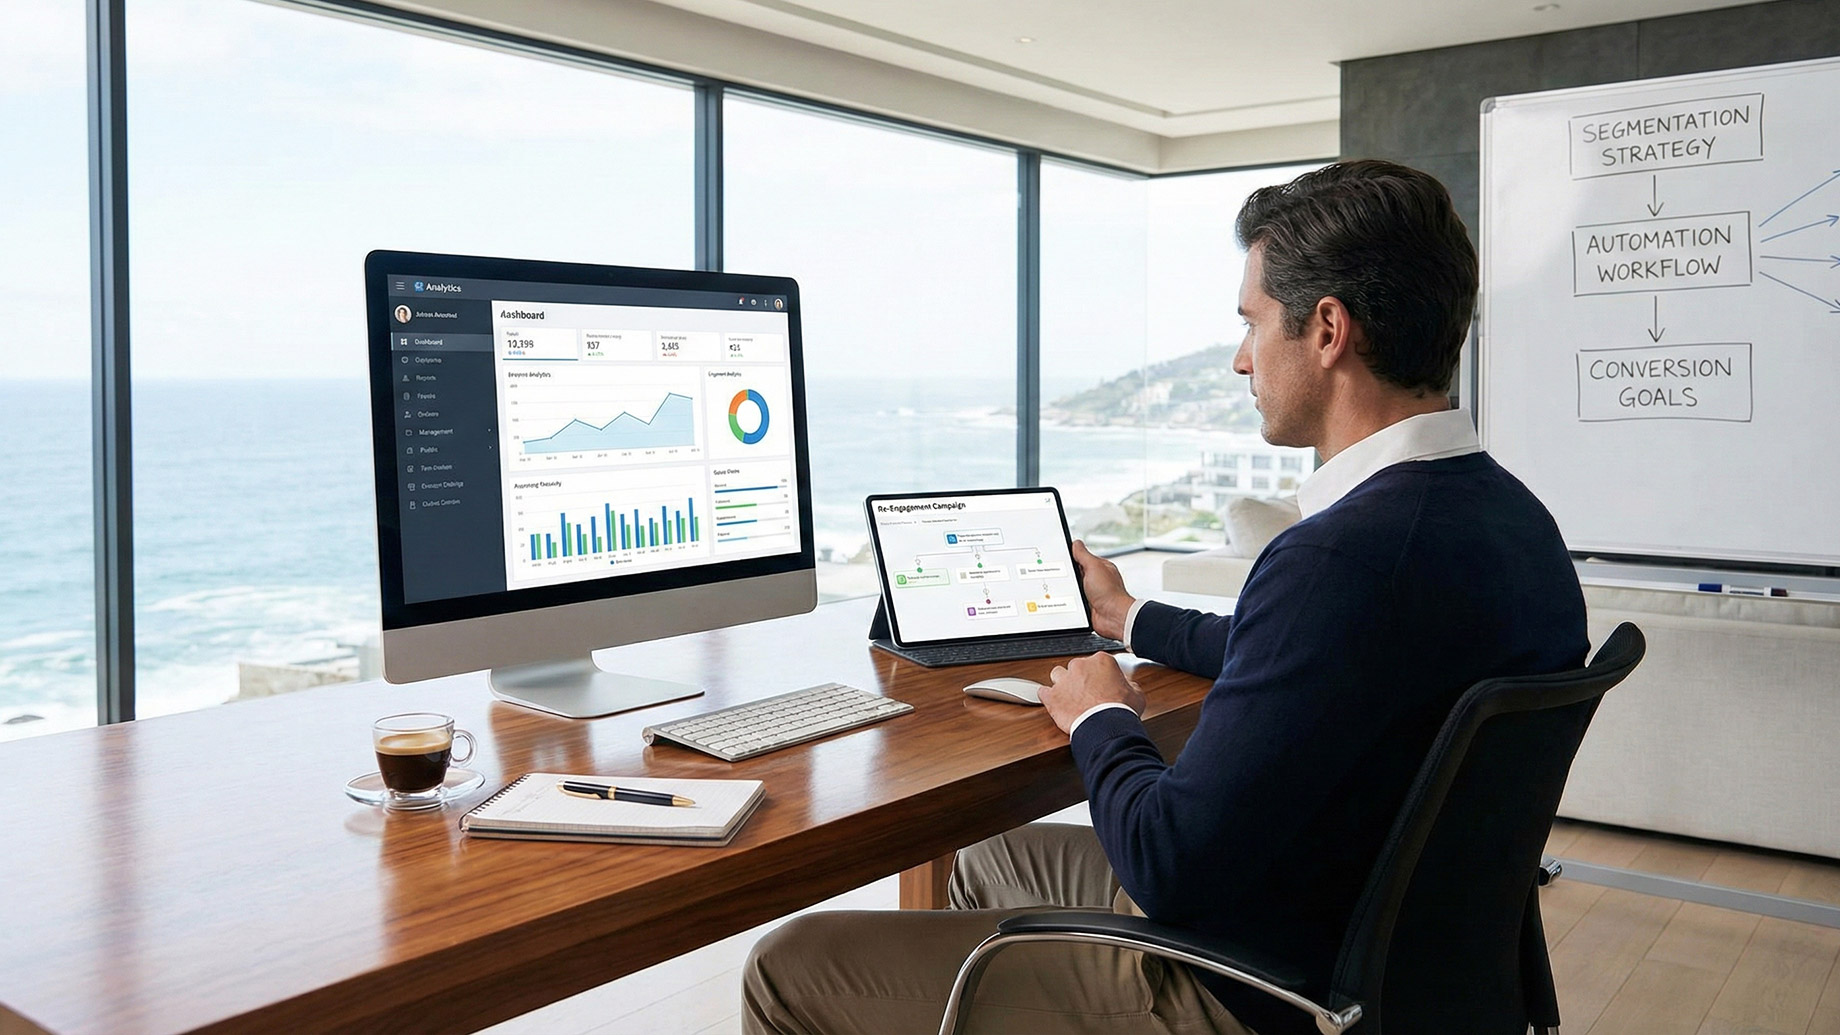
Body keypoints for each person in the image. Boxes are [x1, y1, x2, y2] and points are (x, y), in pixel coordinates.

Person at [742, 160, 1588, 1035]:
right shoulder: (1514, 525)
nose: (1238, 357)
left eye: (1252, 323)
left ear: (1328, 329)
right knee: (991, 854)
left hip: (1261, 988)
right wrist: (1129, 616)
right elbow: (1308, 661)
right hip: (1403, 962)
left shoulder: (1339, 557)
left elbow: (1165, 861)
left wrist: (1102, 716)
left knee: (785, 964)